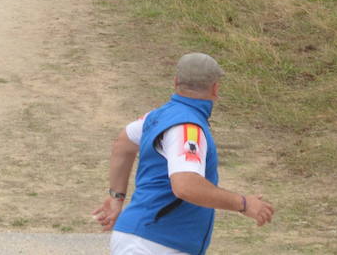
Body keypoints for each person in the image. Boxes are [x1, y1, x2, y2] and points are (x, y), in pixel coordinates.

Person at [94, 53, 275, 254]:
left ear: (176, 82)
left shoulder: (156, 117)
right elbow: (185, 186)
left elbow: (123, 144)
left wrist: (116, 196)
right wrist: (243, 203)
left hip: (141, 237)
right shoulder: (189, 127)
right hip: (157, 243)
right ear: (215, 89)